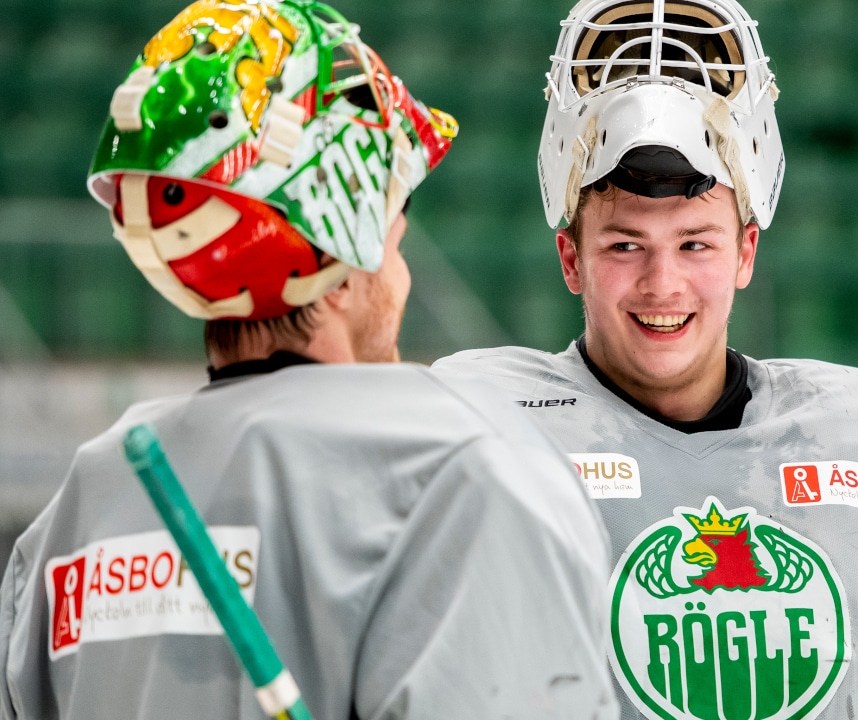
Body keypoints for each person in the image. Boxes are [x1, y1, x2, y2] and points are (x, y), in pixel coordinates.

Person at [433, 0, 858, 718]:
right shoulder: (471, 430)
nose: (661, 283)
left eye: (695, 243)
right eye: (625, 244)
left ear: (746, 252)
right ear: (570, 258)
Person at [0, 1, 617, 718]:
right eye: (394, 236)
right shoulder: (457, 475)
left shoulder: (81, 510)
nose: (402, 274)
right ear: (340, 236)